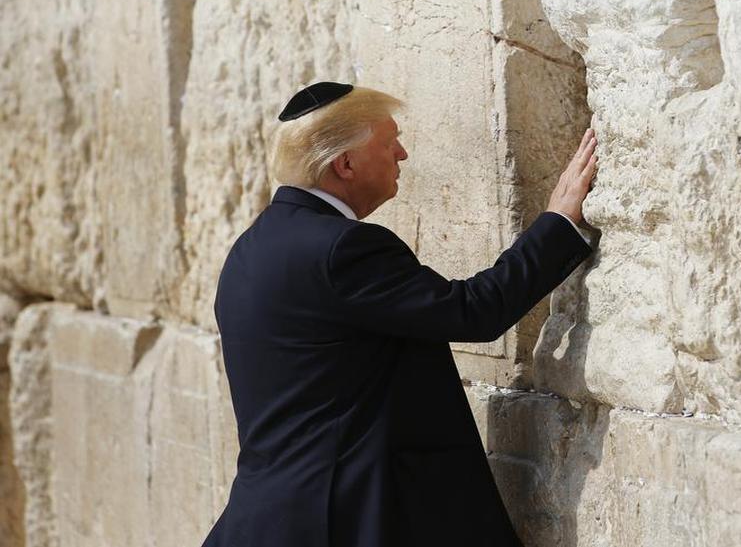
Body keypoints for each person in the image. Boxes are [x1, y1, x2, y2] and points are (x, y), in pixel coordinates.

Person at [199, 81, 598, 547]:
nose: (402, 154)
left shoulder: (250, 249)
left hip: (273, 518)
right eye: (389, 142)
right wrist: (559, 222)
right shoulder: (342, 249)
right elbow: (473, 313)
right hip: (346, 521)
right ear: (345, 163)